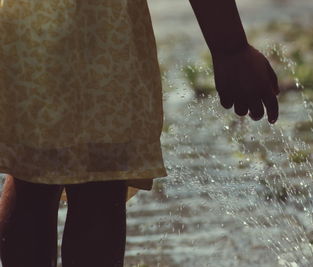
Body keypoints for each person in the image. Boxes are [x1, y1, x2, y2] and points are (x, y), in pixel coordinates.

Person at [0, 0, 279, 266]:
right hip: (104, 35)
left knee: (31, 176)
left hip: (25, 26)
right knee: (100, 181)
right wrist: (230, 47)